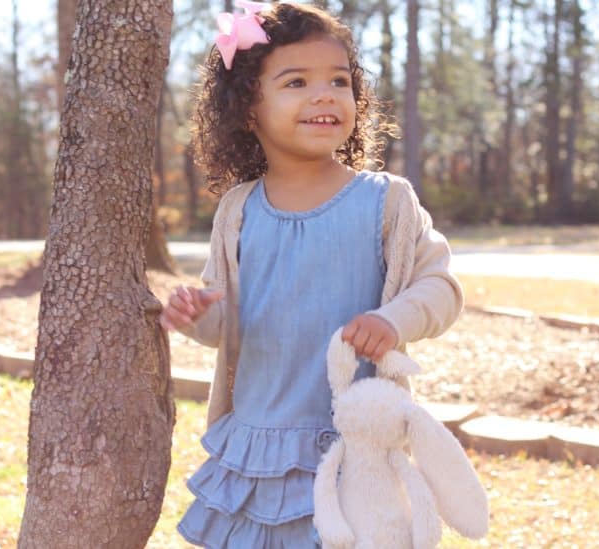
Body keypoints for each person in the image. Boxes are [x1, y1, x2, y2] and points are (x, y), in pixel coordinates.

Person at [159, 2, 463, 547]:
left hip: (352, 447)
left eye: (340, 81)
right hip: (258, 444)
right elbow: (226, 322)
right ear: (248, 109)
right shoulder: (237, 210)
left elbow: (440, 286)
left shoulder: (386, 201)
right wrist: (197, 314)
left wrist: (393, 319)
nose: (325, 95)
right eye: (296, 81)